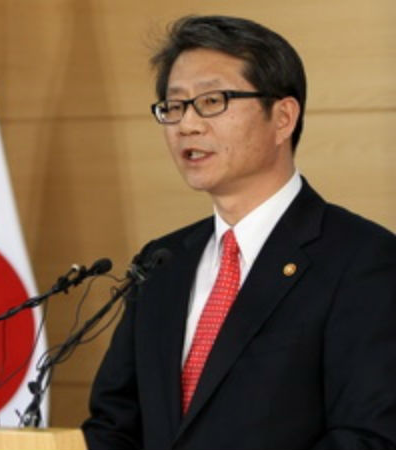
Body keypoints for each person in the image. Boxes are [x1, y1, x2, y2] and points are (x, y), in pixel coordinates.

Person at [82, 15, 396, 449]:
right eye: (174, 106)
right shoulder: (161, 263)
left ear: (283, 117)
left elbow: (369, 436)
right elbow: (115, 423)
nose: (187, 125)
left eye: (212, 101)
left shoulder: (363, 260)